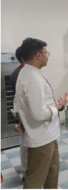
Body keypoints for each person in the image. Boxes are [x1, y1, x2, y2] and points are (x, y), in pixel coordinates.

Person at [15, 38, 68, 189]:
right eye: (46, 53)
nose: (48, 56)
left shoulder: (28, 73)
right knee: (34, 181)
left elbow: (21, 105)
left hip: (49, 135)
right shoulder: (33, 79)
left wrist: (20, 118)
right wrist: (60, 107)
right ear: (38, 55)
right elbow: (39, 114)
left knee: (52, 174)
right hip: (41, 138)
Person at [10, 46, 27, 180]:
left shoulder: (22, 72)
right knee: (26, 145)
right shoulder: (20, 74)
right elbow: (21, 101)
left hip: (25, 117)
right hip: (24, 117)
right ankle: (26, 172)